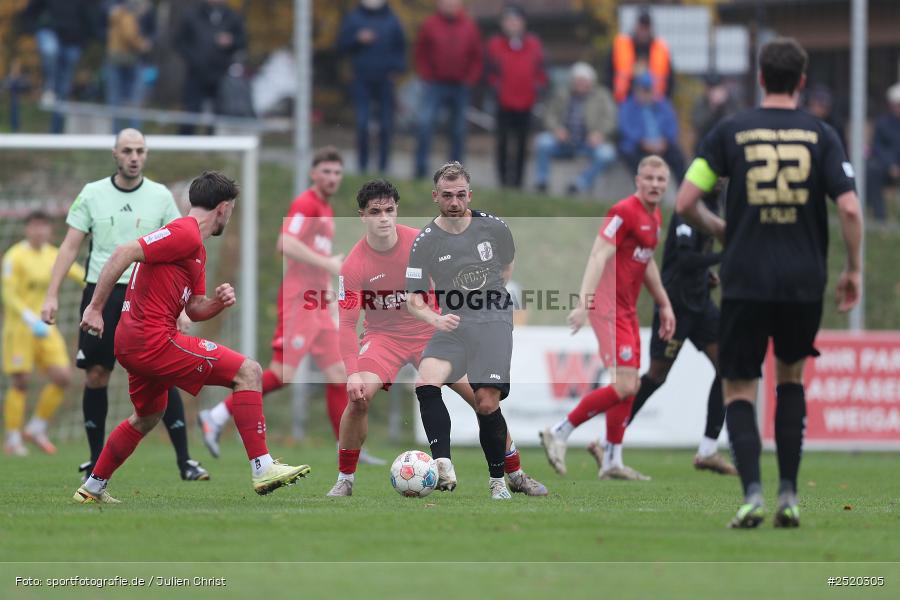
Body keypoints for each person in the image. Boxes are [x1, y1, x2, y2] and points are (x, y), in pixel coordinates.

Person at [676, 37, 863, 528]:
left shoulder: (729, 131)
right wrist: (853, 268)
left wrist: (721, 229)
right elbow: (849, 207)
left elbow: (685, 201)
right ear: (801, 81)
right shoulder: (822, 135)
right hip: (803, 279)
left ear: (760, 78)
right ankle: (789, 496)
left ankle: (752, 495)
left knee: (740, 386)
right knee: (790, 378)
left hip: (745, 277)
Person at [73, 171, 310, 504]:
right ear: (223, 208)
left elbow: (195, 308)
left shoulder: (195, 245)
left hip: (135, 342)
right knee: (249, 371)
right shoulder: (184, 232)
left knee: (147, 416)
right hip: (152, 339)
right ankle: (262, 467)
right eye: (232, 210)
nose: (230, 216)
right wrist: (95, 308)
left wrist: (217, 303)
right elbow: (123, 252)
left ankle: (92, 487)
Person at [327, 179, 546, 497]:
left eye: (389, 210)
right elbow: (346, 324)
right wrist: (352, 373)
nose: (384, 218)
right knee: (358, 398)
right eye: (375, 212)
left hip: (432, 332)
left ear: (397, 210)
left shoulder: (421, 242)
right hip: (384, 338)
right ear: (362, 216)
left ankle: (516, 474)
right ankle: (345, 479)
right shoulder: (353, 266)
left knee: (483, 399)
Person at [41, 128, 208, 483]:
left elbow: (182, 249)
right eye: (128, 150)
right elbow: (70, 246)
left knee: (163, 371)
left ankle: (185, 461)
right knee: (96, 374)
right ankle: (94, 460)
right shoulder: (92, 193)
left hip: (150, 297)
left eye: (140, 151)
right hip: (102, 293)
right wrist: (52, 293)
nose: (134, 157)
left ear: (146, 155)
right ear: (115, 154)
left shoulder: (160, 196)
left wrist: (181, 308)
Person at [198, 148, 379, 463]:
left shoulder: (325, 209)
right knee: (283, 372)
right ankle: (216, 415)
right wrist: (328, 263)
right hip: (299, 301)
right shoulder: (306, 203)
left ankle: (347, 446)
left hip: (317, 303)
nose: (332, 178)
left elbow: (316, 260)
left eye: (337, 172)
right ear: (313, 174)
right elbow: (286, 243)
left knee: (339, 373)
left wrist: (330, 296)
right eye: (326, 171)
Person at [540, 156, 675, 481]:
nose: (655, 184)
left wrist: (665, 304)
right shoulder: (623, 211)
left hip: (626, 310)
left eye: (661, 179)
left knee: (630, 386)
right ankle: (559, 432)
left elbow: (647, 261)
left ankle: (612, 459)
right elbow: (599, 253)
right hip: (608, 308)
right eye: (649, 178)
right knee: (625, 384)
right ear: (638, 181)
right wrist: (584, 304)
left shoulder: (654, 215)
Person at [405, 162, 517, 500]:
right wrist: (435, 319)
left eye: (460, 195)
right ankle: (442, 465)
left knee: (486, 403)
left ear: (470, 194)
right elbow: (413, 299)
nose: (454, 202)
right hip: (452, 322)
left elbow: (507, 266)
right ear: (435, 196)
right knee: (426, 382)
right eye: (447, 196)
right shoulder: (425, 241)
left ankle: (497, 481)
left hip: (493, 319)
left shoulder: (494, 227)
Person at [624, 183, 736, 476]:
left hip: (701, 303)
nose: (723, 180)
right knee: (656, 376)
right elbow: (684, 259)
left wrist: (707, 273)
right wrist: (725, 255)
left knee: (727, 367)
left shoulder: (714, 205)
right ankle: (609, 440)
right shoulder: (688, 208)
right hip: (676, 305)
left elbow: (696, 258)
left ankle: (708, 450)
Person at [2, 211, 83, 456]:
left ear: (50, 230)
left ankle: (36, 428)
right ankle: (13, 438)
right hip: (20, 328)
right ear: (27, 229)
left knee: (63, 377)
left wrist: (105, 284)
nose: (39, 231)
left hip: (46, 326)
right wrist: (28, 317)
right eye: (35, 226)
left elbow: (80, 275)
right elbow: (7, 293)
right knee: (21, 381)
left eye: (44, 226)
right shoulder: (14, 256)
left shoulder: (54, 254)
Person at [413, 0, 483, 179]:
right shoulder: (430, 24)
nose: (450, 4)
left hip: (460, 86)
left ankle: (455, 172)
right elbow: (420, 52)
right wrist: (426, 75)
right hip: (435, 84)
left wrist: (470, 78)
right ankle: (420, 167)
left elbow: (477, 56)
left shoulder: (469, 26)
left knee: (458, 130)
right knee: (425, 124)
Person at [336, 0, 406, 173]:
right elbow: (341, 45)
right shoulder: (354, 18)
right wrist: (357, 39)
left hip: (385, 79)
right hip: (361, 79)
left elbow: (401, 47)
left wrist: (397, 69)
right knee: (362, 124)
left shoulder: (392, 18)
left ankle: (383, 165)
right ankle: (362, 165)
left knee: (386, 125)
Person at [486, 4, 547, 188]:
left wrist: (538, 88)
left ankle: (518, 182)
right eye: (508, 20)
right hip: (503, 102)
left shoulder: (533, 44)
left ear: (523, 23)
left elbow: (542, 71)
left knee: (522, 144)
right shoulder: (495, 44)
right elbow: (488, 71)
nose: (512, 24)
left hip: (526, 102)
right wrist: (495, 87)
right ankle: (503, 181)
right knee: (503, 142)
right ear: (502, 23)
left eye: (516, 20)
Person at [533, 62, 617, 195]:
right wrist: (557, 130)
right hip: (563, 142)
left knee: (607, 154)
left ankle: (579, 184)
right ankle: (542, 182)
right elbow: (549, 115)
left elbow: (611, 119)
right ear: (572, 81)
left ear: (591, 82)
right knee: (542, 142)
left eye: (584, 81)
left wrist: (599, 134)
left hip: (588, 144)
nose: (581, 84)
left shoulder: (602, 96)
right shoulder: (562, 94)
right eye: (578, 80)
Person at [17, 0, 98, 133]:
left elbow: (90, 14)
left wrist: (87, 39)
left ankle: (56, 130)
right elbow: (30, 11)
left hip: (73, 40)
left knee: (64, 88)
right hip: (51, 31)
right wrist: (30, 28)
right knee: (50, 51)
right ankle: (48, 87)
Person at [174, 0, 246, 135]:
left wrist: (231, 42)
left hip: (221, 73)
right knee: (191, 109)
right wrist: (193, 58)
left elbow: (242, 41)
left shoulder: (232, 17)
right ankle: (185, 140)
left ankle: (213, 140)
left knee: (219, 111)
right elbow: (179, 41)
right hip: (196, 72)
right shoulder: (192, 15)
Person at [618, 72, 685, 183]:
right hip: (638, 145)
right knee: (637, 163)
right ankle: (643, 189)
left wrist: (665, 141)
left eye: (648, 90)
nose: (646, 94)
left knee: (678, 158)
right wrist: (643, 142)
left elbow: (672, 125)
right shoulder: (628, 106)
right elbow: (626, 128)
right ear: (636, 90)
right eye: (643, 90)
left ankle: (683, 188)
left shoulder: (663, 105)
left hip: (662, 144)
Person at [104, 0, 153, 133]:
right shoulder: (120, 11)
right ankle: (124, 136)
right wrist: (142, 45)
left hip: (130, 60)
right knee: (122, 102)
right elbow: (129, 35)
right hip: (123, 59)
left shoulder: (142, 8)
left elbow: (152, 29)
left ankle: (126, 136)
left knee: (130, 102)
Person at [607, 9, 673, 104]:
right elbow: (608, 73)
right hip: (623, 101)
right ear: (635, 27)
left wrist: (663, 101)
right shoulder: (621, 46)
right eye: (641, 27)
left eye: (646, 28)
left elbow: (670, 79)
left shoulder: (661, 49)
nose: (643, 31)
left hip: (654, 103)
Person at [866, 82, 900, 223]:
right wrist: (891, 165)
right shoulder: (883, 123)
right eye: (896, 105)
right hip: (887, 168)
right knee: (872, 169)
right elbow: (878, 147)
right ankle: (880, 216)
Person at [691, 74, 740, 153]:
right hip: (705, 145)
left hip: (726, 144)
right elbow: (699, 125)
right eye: (710, 88)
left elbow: (735, 123)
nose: (713, 92)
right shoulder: (701, 103)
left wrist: (723, 105)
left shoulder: (731, 103)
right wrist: (713, 107)